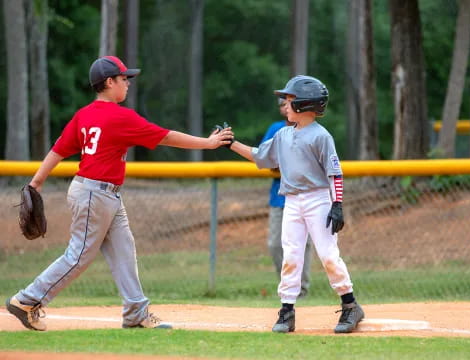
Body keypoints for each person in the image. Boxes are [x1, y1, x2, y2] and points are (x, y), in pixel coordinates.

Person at [5, 55, 233, 331]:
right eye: (124, 79)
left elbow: (59, 149)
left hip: (103, 194)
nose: (128, 83)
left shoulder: (84, 115)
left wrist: (36, 183)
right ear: (109, 82)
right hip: (94, 194)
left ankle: (136, 311)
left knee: (124, 249)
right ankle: (27, 300)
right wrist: (208, 144)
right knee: (78, 256)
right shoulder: (121, 117)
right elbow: (166, 136)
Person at [228, 75, 364, 334]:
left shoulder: (320, 136)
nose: (285, 105)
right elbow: (260, 156)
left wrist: (337, 205)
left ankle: (350, 306)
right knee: (291, 255)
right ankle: (287, 310)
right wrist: (232, 144)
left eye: (289, 100)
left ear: (303, 105)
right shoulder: (283, 135)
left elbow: (335, 172)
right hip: (291, 200)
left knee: (327, 254)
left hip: (318, 199)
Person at [262, 98, 313, 298]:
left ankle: (301, 290)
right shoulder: (276, 129)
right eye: (282, 104)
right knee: (275, 244)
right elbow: (266, 158)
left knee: (303, 244)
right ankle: (288, 285)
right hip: (280, 197)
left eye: (288, 103)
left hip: (305, 195)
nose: (284, 107)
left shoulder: (311, 130)